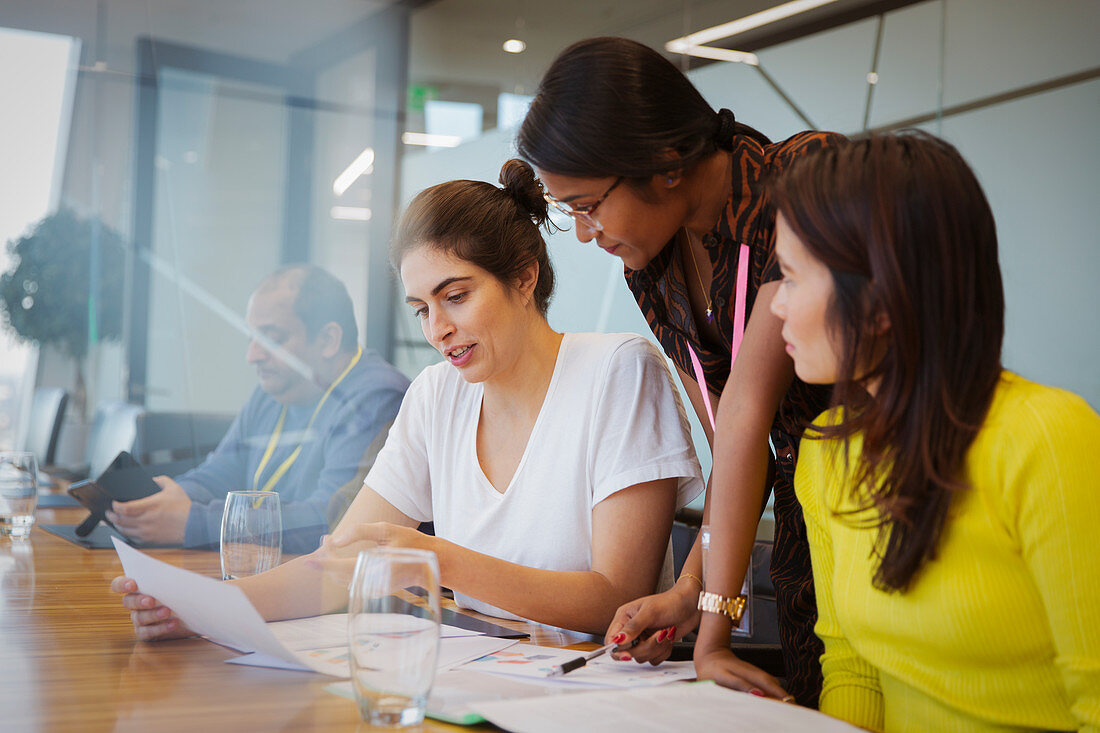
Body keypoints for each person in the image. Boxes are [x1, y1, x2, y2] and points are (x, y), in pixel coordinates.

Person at [112, 160, 703, 637]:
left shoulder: (618, 371)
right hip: (478, 679)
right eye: (422, 310)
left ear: (525, 278)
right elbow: (339, 566)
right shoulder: (435, 393)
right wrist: (204, 606)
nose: (437, 329)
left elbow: (617, 597)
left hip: (592, 693)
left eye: (456, 296)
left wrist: (434, 558)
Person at [516, 36, 841, 704]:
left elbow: (750, 414)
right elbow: (729, 443)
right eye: (568, 210)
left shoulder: (804, 180)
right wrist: (689, 592)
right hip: (808, 541)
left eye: (587, 204)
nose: (585, 233)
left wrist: (716, 623)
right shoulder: (653, 265)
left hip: (887, 505)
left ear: (665, 162)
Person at [768, 131, 1100, 731]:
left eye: (791, 277)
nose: (776, 306)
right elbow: (852, 669)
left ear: (881, 298)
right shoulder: (826, 453)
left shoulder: (1048, 438)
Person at [105, 265, 410, 554]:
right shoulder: (276, 389)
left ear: (328, 339)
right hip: (265, 569)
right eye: (252, 337)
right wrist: (170, 498)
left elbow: (330, 521)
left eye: (271, 338)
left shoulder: (375, 398)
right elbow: (221, 472)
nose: (252, 355)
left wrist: (193, 522)